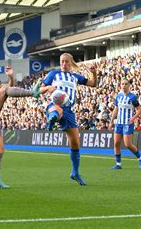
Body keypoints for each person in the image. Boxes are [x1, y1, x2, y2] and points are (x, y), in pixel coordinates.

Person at [41, 53, 98, 186]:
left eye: (66, 62)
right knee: (57, 111)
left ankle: (75, 173)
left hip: (69, 111)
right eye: (62, 62)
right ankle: (52, 119)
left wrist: (94, 73)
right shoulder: (53, 74)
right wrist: (48, 87)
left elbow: (93, 84)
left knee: (75, 144)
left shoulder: (75, 77)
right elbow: (40, 89)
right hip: (55, 105)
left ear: (71, 63)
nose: (64, 64)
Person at [110, 78, 141, 170]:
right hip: (119, 123)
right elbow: (116, 109)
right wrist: (111, 121)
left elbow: (139, 109)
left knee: (128, 144)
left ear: (129, 85)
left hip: (127, 123)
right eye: (122, 84)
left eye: (126, 84)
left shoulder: (132, 97)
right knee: (116, 143)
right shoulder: (118, 96)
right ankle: (118, 164)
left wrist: (134, 118)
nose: (124, 85)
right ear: (120, 85)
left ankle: (140, 158)